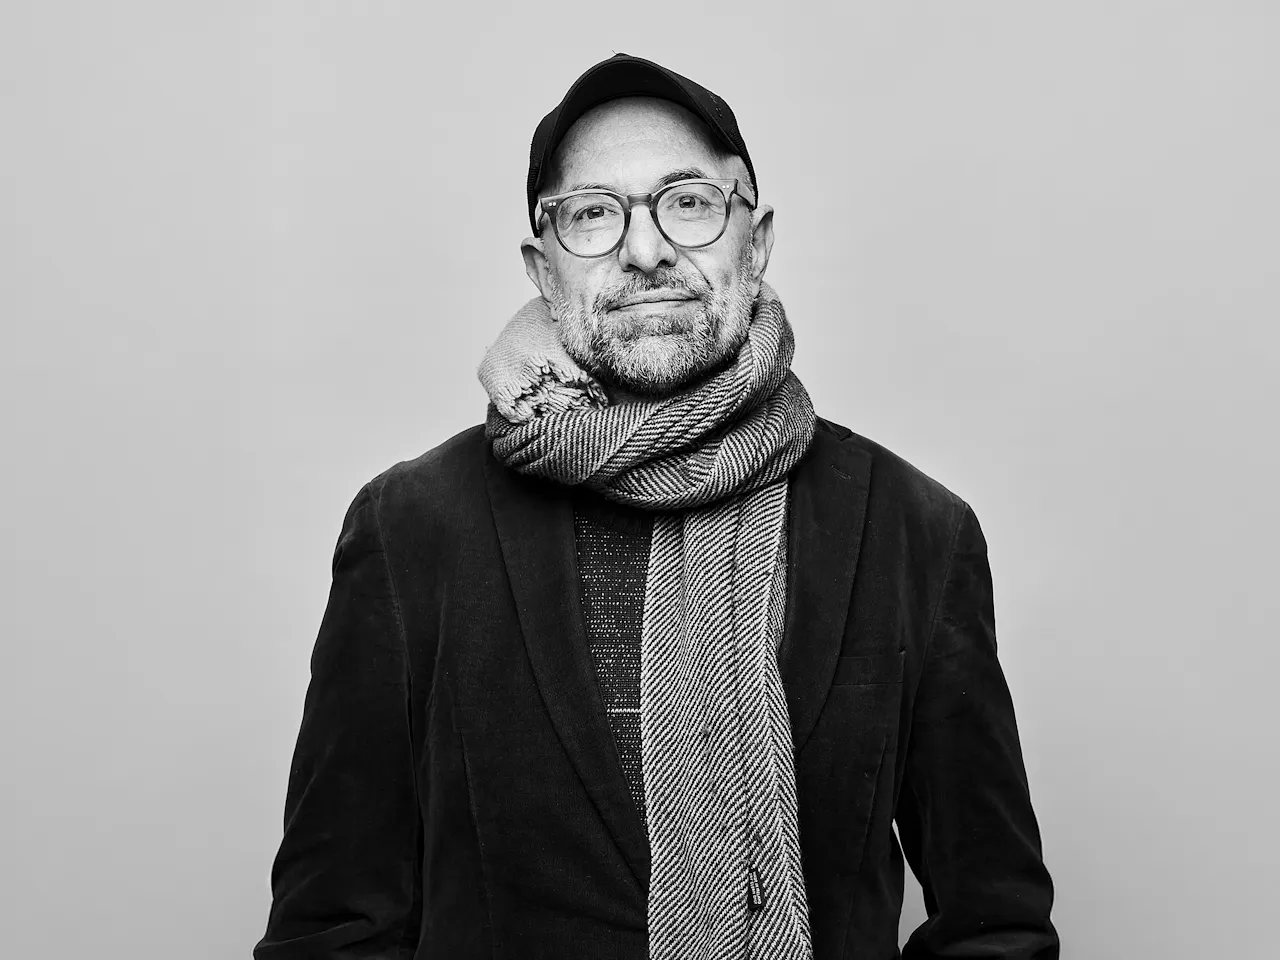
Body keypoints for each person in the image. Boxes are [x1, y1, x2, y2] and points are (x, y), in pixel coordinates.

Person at [254, 53, 1059, 960]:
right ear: (542, 264)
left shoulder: (916, 532)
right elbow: (332, 930)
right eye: (593, 215)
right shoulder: (412, 531)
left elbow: (996, 925)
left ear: (754, 242)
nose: (646, 250)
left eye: (690, 203)